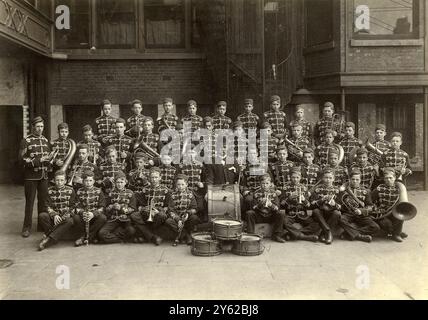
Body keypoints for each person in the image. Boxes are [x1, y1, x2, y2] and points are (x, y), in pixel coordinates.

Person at [19, 116, 51, 237]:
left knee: (43, 202)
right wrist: (39, 160)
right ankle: (26, 227)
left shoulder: (45, 140)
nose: (40, 129)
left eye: (41, 126)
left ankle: (41, 225)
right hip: (31, 177)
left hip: (44, 176)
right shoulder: (26, 141)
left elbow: (47, 160)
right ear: (33, 127)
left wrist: (50, 160)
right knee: (30, 202)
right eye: (37, 126)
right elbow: (21, 160)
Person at [338, 169, 380, 243]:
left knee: (375, 227)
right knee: (341, 219)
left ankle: (349, 233)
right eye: (353, 179)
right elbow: (340, 203)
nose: (355, 181)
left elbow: (370, 206)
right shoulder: (344, 190)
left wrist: (361, 211)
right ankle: (359, 236)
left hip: (361, 215)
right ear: (349, 179)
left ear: (360, 180)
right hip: (348, 213)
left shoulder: (366, 191)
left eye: (357, 179)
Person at [38, 170, 76, 250]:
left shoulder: (71, 190)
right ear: (54, 180)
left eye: (62, 180)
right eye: (57, 180)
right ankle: (54, 235)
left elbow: (73, 206)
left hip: (65, 216)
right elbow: (46, 205)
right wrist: (54, 215)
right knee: (42, 216)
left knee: (70, 221)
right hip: (54, 216)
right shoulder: (49, 190)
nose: (59, 182)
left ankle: (49, 238)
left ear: (65, 181)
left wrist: (68, 214)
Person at [131, 167, 169, 245]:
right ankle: (153, 237)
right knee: (134, 216)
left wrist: (158, 211)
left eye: (156, 177)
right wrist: (145, 209)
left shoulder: (166, 190)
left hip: (159, 213)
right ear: (149, 178)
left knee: (161, 216)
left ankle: (147, 235)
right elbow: (141, 205)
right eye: (152, 177)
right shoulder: (145, 189)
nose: (154, 179)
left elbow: (167, 206)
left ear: (160, 178)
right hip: (147, 212)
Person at [281, 167, 319, 242]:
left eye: (297, 177)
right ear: (290, 177)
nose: (295, 179)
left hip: (302, 214)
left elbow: (308, 205)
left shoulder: (304, 188)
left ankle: (292, 234)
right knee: (283, 221)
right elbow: (281, 204)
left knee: (317, 225)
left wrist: (304, 200)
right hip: (290, 214)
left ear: (300, 177)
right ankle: (304, 237)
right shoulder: (286, 188)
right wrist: (289, 198)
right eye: (293, 177)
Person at [245, 174, 286, 243]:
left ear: (270, 184)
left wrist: (271, 205)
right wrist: (260, 204)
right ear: (260, 184)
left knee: (281, 213)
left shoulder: (274, 193)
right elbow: (253, 208)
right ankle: (250, 235)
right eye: (263, 183)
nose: (265, 185)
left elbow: (277, 208)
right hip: (260, 216)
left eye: (267, 183)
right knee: (249, 213)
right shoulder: (256, 193)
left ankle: (277, 235)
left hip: (270, 216)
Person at [98, 171, 136, 243]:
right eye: (117, 182)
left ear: (125, 182)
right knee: (102, 233)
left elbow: (133, 209)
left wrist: (121, 208)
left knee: (131, 231)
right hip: (113, 219)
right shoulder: (111, 193)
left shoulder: (130, 193)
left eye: (121, 182)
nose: (119, 184)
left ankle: (112, 237)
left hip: (126, 219)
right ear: (115, 183)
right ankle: (119, 239)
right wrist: (111, 207)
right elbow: (106, 209)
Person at [73, 170, 107, 246]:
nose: (88, 183)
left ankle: (85, 238)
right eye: (86, 181)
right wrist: (83, 213)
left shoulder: (99, 191)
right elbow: (77, 206)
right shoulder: (79, 191)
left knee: (103, 218)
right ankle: (89, 237)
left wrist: (93, 214)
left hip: (94, 216)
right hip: (84, 215)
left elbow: (102, 207)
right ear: (83, 181)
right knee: (75, 218)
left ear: (94, 181)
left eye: (90, 180)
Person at [371, 168, 405, 242]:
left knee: (400, 217)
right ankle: (393, 232)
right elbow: (370, 201)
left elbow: (403, 202)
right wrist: (375, 208)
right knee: (386, 224)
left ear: (395, 178)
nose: (388, 180)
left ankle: (396, 234)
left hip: (394, 211)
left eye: (390, 178)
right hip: (382, 213)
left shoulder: (399, 188)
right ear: (384, 179)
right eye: (386, 178)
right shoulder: (379, 188)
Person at [165, 174, 200, 245]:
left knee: (194, 218)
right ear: (176, 185)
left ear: (186, 184)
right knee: (168, 221)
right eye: (178, 185)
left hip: (186, 218)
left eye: (182, 184)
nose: (180, 187)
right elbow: (171, 210)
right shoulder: (172, 195)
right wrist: (178, 220)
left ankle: (186, 233)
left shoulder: (190, 194)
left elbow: (195, 208)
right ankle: (186, 235)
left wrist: (188, 213)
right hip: (177, 218)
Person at [309, 168, 341, 244]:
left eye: (330, 178)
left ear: (333, 179)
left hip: (331, 213)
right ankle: (329, 233)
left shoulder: (337, 190)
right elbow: (312, 205)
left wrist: (335, 204)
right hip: (320, 214)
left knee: (337, 213)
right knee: (316, 211)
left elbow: (340, 207)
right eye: (326, 178)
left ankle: (323, 234)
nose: (328, 180)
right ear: (322, 178)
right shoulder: (317, 189)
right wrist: (321, 200)